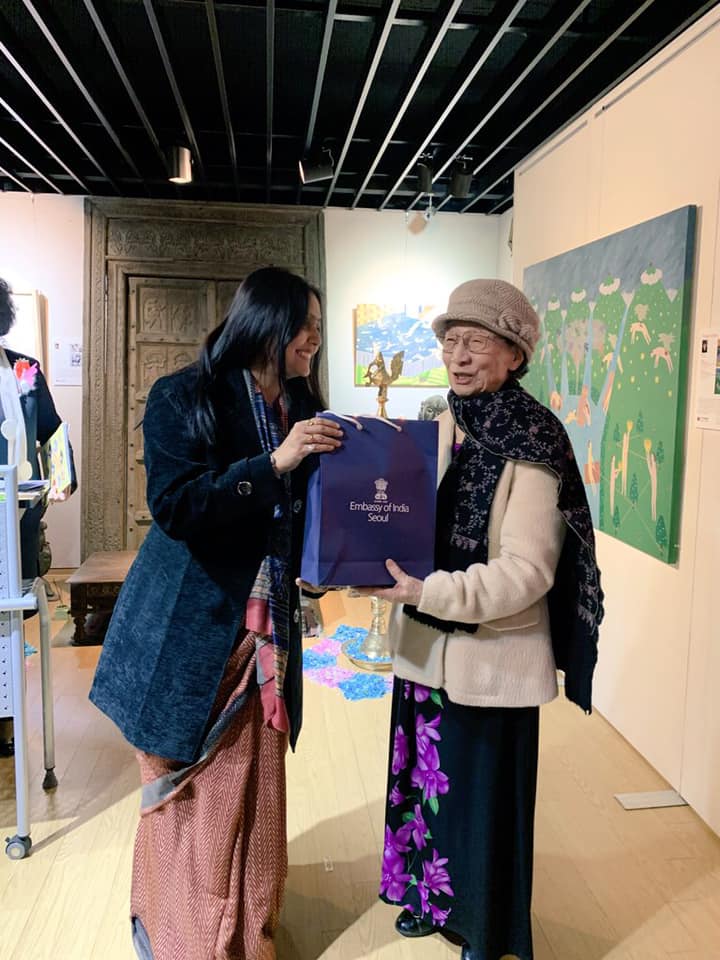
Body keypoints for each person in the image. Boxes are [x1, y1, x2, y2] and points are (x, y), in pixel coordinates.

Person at [89, 267, 343, 960]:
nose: (314, 340)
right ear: (265, 325)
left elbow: (313, 509)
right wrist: (273, 464)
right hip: (187, 633)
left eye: (318, 328)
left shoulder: (302, 403)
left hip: (266, 632)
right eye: (305, 326)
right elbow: (176, 506)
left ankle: (246, 925)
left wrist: (330, 558)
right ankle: (187, 936)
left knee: (255, 791)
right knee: (187, 796)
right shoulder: (183, 395)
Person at [363, 279, 603, 960]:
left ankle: (484, 928)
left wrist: (426, 590)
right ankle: (422, 897)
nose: (458, 356)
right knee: (423, 789)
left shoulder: (535, 439)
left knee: (480, 805)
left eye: (475, 342)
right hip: (424, 649)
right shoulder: (440, 421)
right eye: (451, 341)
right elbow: (399, 516)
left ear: (514, 354)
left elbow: (527, 573)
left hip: (490, 658)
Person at [0, 277, 76, 757]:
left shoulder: (23, 369)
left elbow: (50, 429)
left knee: (10, 623)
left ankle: (6, 722)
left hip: (18, 519)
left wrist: (61, 478)